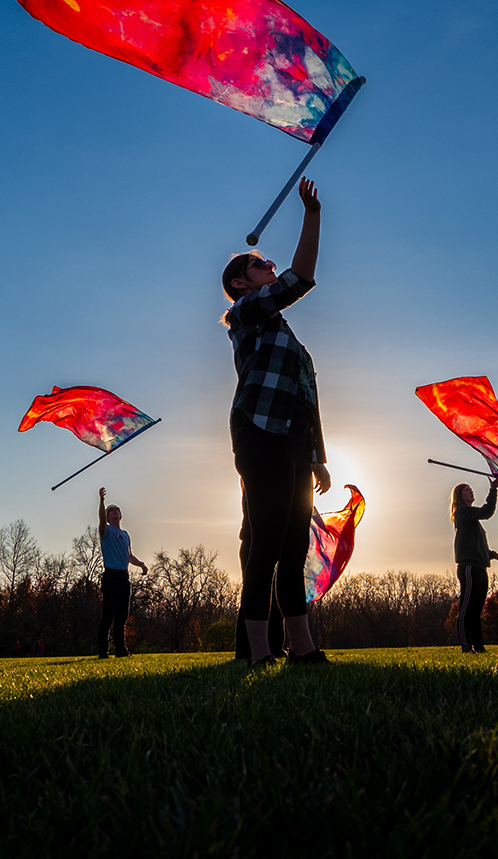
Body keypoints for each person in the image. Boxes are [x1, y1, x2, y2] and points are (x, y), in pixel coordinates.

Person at [222, 178, 332, 667]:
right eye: (257, 263)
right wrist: (310, 218)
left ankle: (302, 649)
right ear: (240, 283)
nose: (266, 265)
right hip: (259, 434)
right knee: (265, 542)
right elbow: (297, 280)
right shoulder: (245, 312)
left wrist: (318, 459)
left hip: (291, 442)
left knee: (293, 546)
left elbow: (307, 400)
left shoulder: (285, 335)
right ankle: (258, 653)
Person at [96, 487, 149, 658]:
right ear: (108, 516)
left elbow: (129, 556)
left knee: (122, 617)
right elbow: (101, 520)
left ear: (121, 515)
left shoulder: (125, 534)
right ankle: (103, 651)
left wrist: (140, 564)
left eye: (116, 510)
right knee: (108, 615)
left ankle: (121, 650)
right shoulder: (106, 531)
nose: (114, 512)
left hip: (124, 577)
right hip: (111, 576)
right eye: (111, 511)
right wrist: (102, 502)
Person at [452, 479, 498, 652]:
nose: (471, 492)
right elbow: (487, 511)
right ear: (459, 496)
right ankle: (466, 647)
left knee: (476, 610)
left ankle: (480, 648)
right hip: (469, 568)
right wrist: (493, 490)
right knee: (466, 609)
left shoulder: (472, 519)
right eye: (467, 490)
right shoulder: (462, 512)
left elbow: (476, 544)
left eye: (471, 489)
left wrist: (491, 554)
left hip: (480, 567)